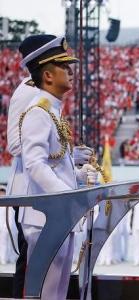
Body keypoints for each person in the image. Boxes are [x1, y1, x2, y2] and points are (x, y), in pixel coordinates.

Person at [7, 34, 97, 300]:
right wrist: (67, 197)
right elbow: (32, 159)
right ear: (46, 74)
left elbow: (53, 157)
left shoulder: (51, 108)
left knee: (55, 290)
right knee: (44, 290)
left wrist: (76, 172)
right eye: (64, 66)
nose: (70, 71)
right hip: (46, 211)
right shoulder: (36, 105)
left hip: (55, 211)